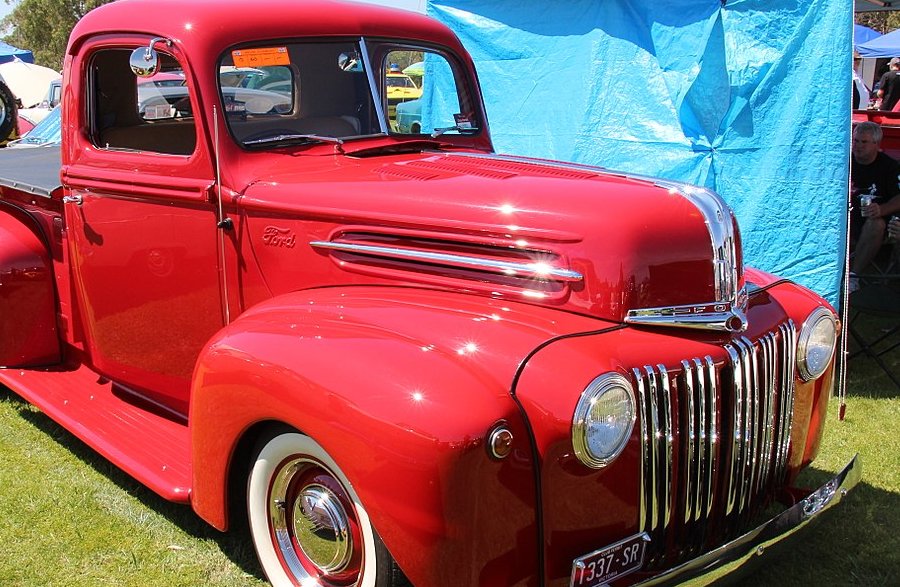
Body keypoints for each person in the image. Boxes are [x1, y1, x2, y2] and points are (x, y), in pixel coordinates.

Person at [850, 121, 900, 281]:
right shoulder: (844, 162)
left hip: (872, 221)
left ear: (876, 144)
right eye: (856, 141)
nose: (858, 146)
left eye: (864, 142)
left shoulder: (889, 167)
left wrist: (882, 209)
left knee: (876, 224)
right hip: (846, 217)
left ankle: (853, 277)